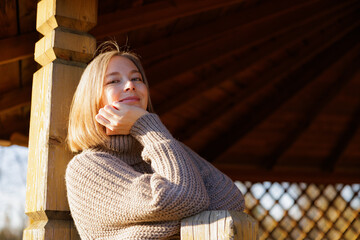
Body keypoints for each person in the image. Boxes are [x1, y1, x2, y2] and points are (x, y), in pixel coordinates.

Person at [65, 41, 245, 240]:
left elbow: (232, 200)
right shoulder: (86, 168)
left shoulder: (159, 144)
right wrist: (188, 217)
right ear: (92, 99)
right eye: (113, 81)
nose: (130, 85)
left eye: (136, 78)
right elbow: (186, 198)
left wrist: (146, 128)